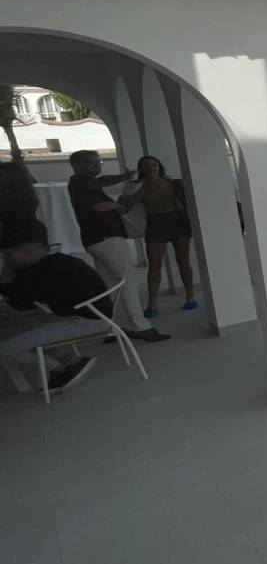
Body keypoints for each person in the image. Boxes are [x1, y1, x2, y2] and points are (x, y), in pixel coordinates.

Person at [66, 151, 169, 343]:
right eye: (91, 163)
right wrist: (124, 180)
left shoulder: (83, 186)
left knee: (111, 285)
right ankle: (140, 326)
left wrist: (125, 199)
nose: (97, 165)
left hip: (95, 240)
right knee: (127, 280)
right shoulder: (80, 183)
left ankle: (110, 327)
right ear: (77, 166)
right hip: (106, 239)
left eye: (98, 162)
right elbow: (101, 191)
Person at [0, 231, 108, 393]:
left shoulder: (40, 272)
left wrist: (7, 271)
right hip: (92, 314)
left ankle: (59, 368)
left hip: (86, 321)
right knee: (29, 324)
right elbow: (17, 299)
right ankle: (70, 361)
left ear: (23, 252)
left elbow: (15, 304)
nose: (7, 261)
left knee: (6, 349)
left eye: (8, 256)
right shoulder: (55, 262)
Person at [118, 155, 198, 318]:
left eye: (154, 165)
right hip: (155, 223)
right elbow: (125, 207)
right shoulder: (136, 186)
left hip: (177, 221)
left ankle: (190, 297)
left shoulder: (172, 182)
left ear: (159, 166)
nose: (151, 168)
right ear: (141, 169)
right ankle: (152, 304)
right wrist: (140, 190)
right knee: (154, 266)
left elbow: (190, 196)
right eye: (146, 166)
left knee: (183, 261)